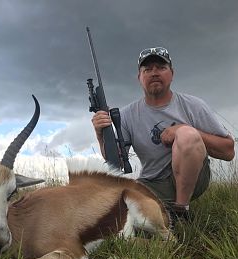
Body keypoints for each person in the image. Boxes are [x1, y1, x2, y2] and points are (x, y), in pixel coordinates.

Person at [92, 47, 235, 222]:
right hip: (151, 184)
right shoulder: (127, 114)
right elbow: (116, 162)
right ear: (140, 77)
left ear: (172, 74)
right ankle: (159, 216)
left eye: (161, 67)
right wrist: (101, 135)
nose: (154, 73)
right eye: (147, 69)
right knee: (112, 214)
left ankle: (181, 212)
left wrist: (184, 129)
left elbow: (228, 152)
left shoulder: (193, 105)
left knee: (187, 135)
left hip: (194, 179)